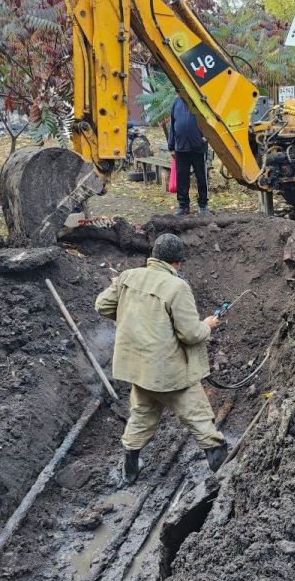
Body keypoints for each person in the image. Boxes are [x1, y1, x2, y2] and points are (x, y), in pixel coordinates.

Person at [94, 233, 229, 484]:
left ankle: (130, 468)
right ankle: (221, 471)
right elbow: (190, 334)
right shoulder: (177, 287)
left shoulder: (128, 277)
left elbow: (102, 305)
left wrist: (133, 319)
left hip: (137, 369)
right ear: (176, 262)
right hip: (169, 371)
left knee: (142, 416)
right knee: (199, 418)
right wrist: (208, 325)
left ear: (154, 256)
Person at [167, 96, 210, 216]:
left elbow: (209, 119)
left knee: (201, 178)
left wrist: (206, 136)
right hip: (181, 147)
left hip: (198, 147)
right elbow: (172, 125)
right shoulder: (176, 102)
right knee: (182, 179)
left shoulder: (199, 100)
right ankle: (183, 206)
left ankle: (203, 206)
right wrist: (171, 146)